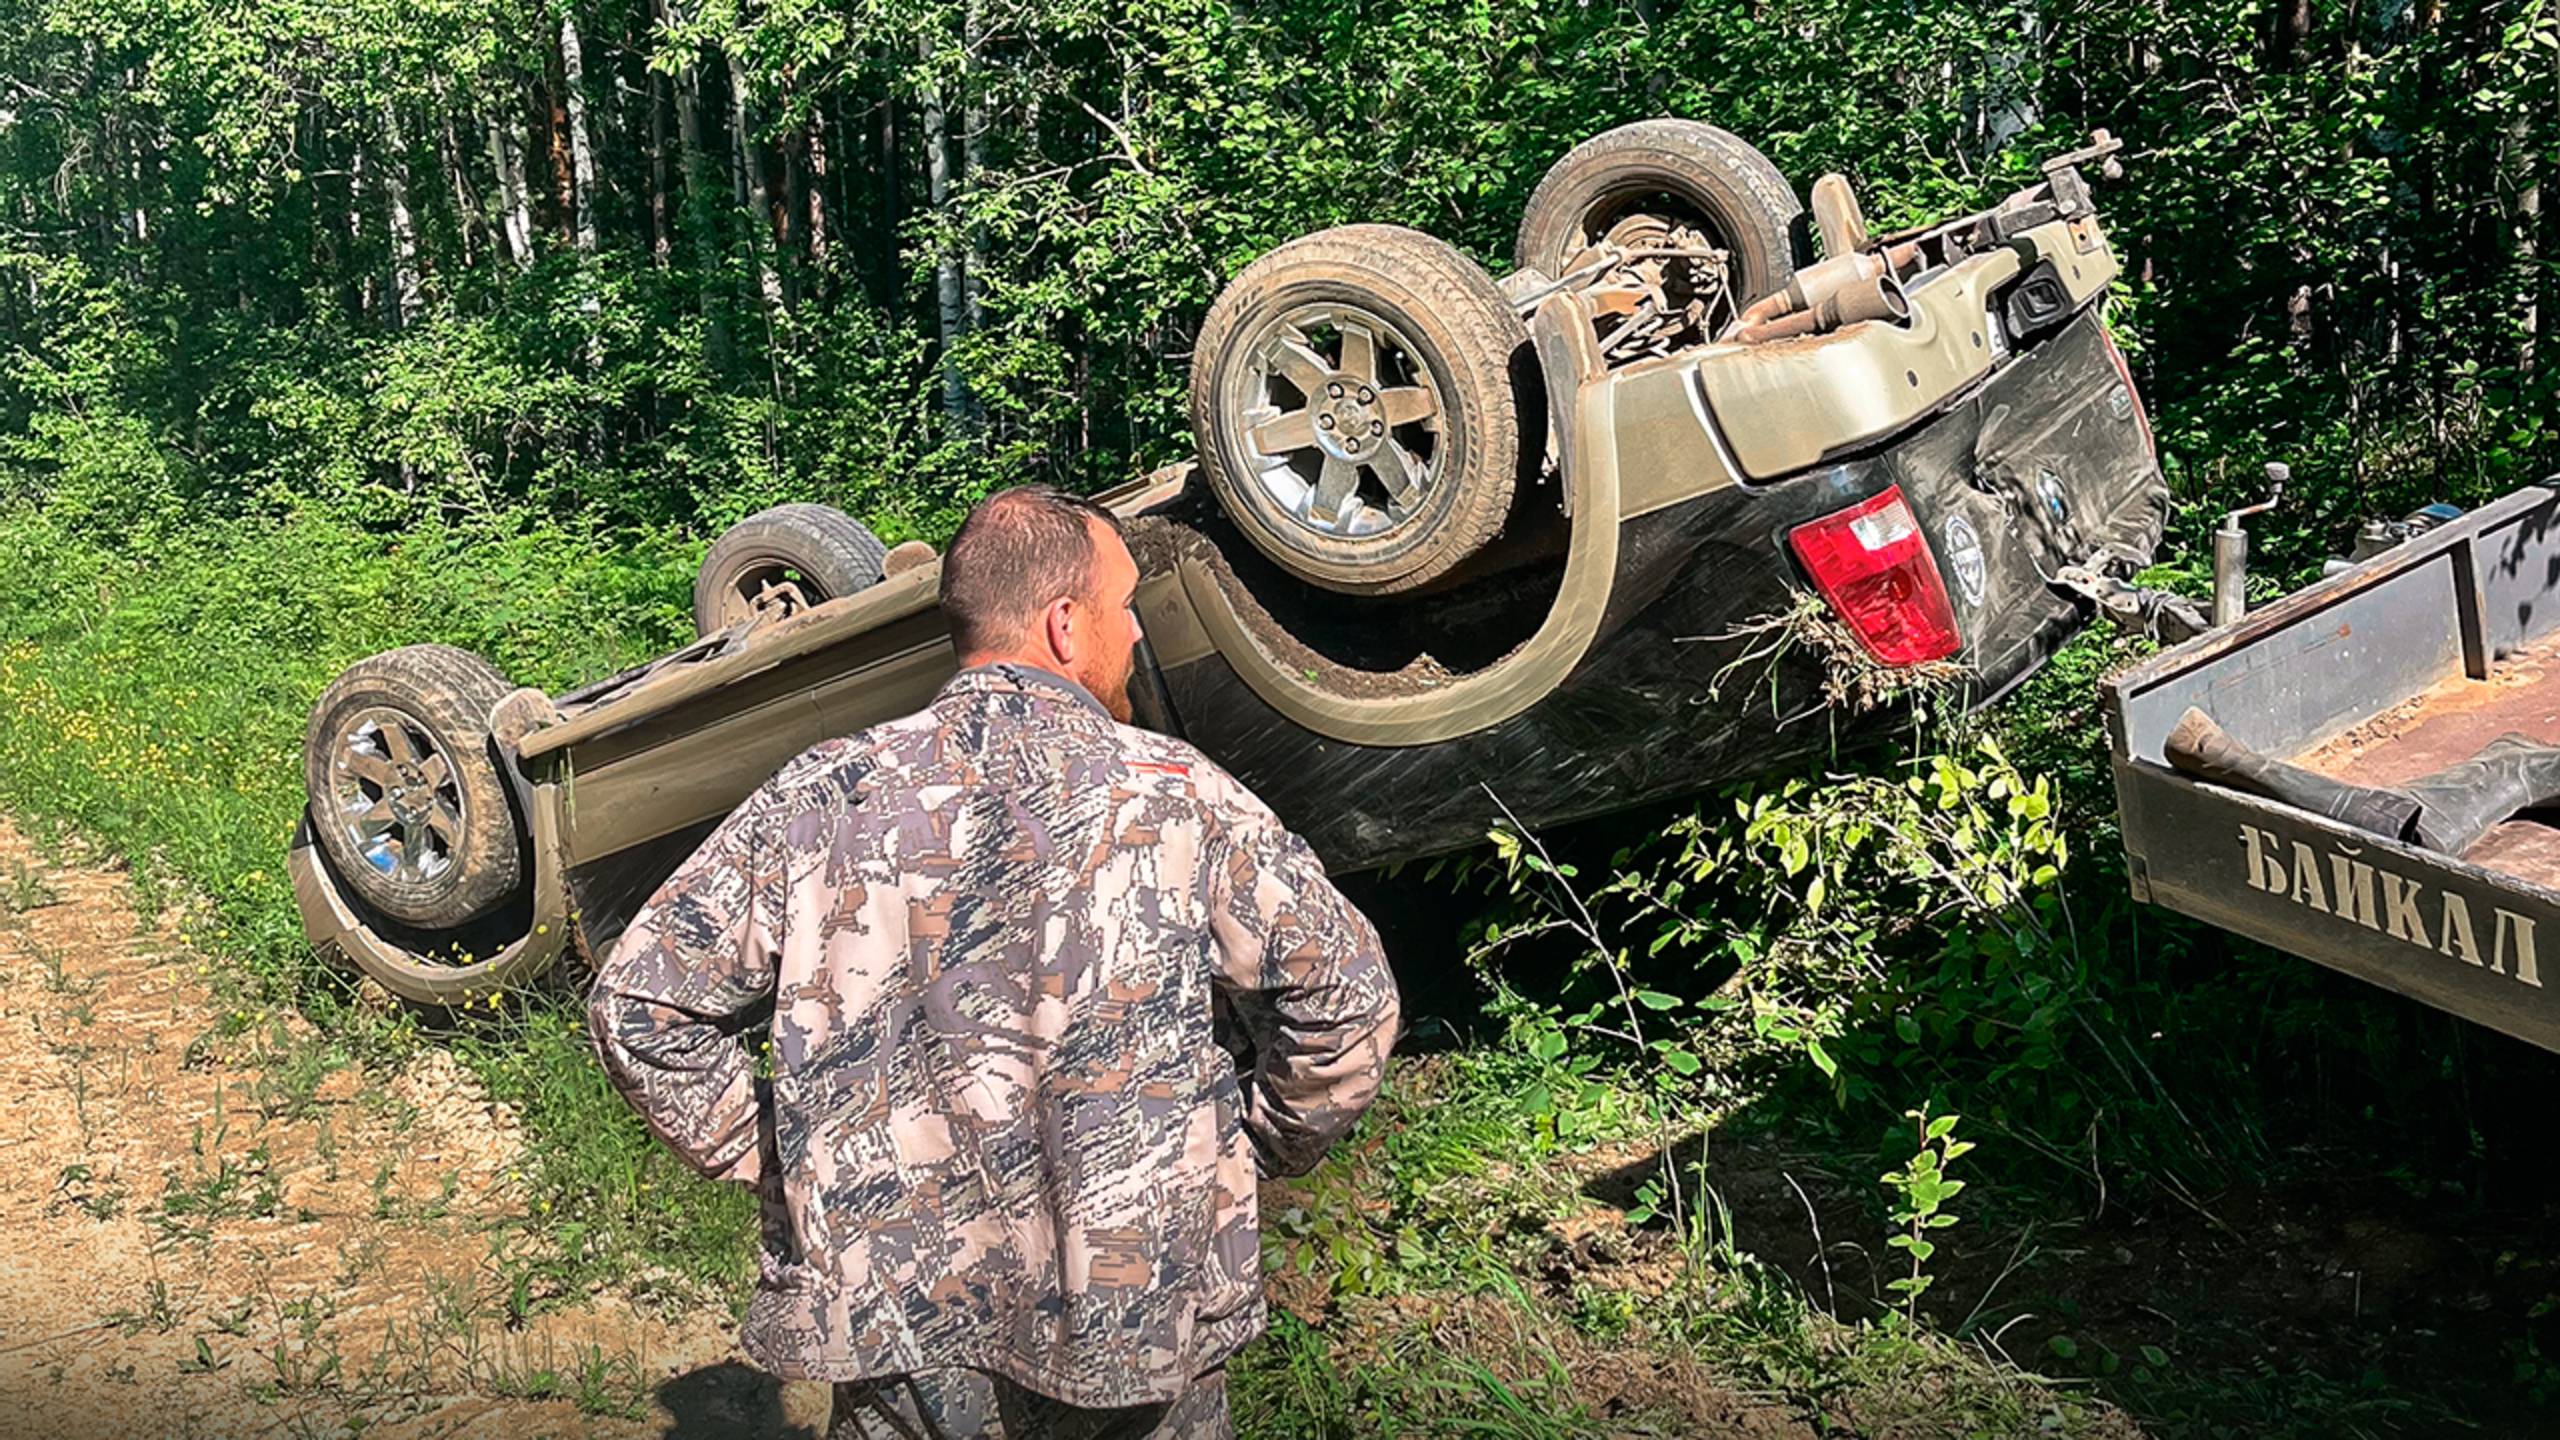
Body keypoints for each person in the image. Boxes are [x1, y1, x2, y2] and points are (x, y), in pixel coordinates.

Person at [588, 485, 1401, 1438]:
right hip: (1131, 1304)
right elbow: (1347, 1002)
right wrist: (1254, 1148)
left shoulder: (820, 797)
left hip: (896, 1308)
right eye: (1122, 605)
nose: (1134, 633)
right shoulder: (1179, 800)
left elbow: (642, 1007)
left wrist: (792, 1156)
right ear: (1064, 625)